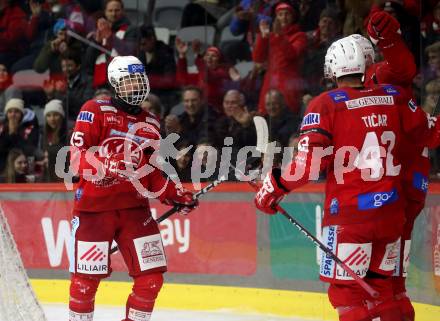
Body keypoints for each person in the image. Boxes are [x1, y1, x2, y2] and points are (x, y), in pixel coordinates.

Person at [254, 37, 440, 321]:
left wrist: (273, 187)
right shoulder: (394, 96)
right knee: (384, 289)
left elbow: (309, 164)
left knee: (347, 294)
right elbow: (431, 133)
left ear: (331, 69)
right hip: (391, 214)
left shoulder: (325, 104)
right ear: (366, 63)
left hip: (350, 218)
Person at [68, 55, 198, 321]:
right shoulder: (94, 110)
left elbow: (151, 175)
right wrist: (110, 163)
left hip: (135, 211)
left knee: (151, 280)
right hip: (95, 210)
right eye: (129, 80)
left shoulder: (150, 124)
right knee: (85, 282)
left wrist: (176, 194)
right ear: (116, 83)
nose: (136, 85)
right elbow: (76, 158)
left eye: (139, 78)